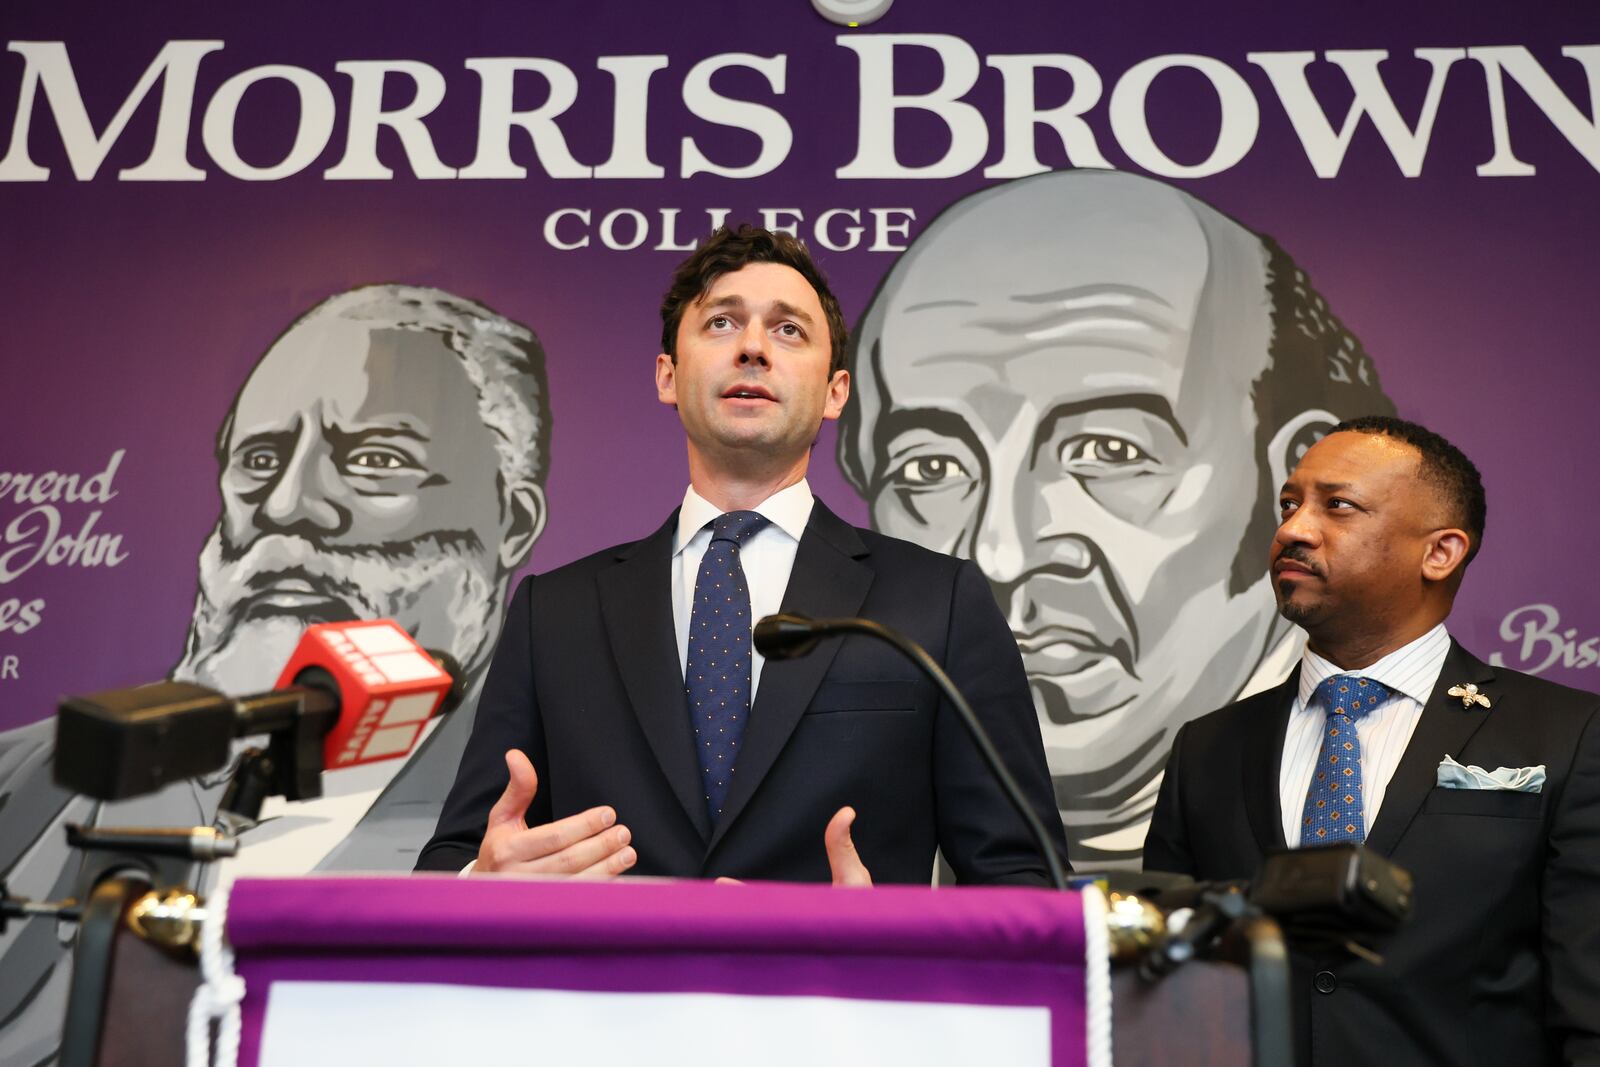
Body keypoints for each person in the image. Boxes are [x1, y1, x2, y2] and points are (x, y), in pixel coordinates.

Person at [0, 285, 551, 1067]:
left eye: (375, 460)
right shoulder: (30, 776)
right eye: (259, 460)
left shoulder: (537, 820)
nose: (289, 506)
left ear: (514, 520)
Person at [419, 225, 1064, 884]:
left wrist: (889, 939)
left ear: (836, 391)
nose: (753, 347)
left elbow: (1023, 879)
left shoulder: (939, 603)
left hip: (844, 988)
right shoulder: (552, 615)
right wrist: (482, 881)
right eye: (722, 323)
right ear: (668, 375)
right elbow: (452, 860)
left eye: (789, 330)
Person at [838, 169, 1396, 867]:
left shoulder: (1396, 760)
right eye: (929, 469)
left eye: (1108, 450)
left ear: (1285, 485)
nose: (1001, 552)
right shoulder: (828, 828)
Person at [1144, 416, 1600, 1066]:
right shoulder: (1207, 749)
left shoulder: (1569, 735)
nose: (1293, 530)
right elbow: (1158, 990)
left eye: (1338, 506)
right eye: (1289, 504)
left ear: (1440, 552)